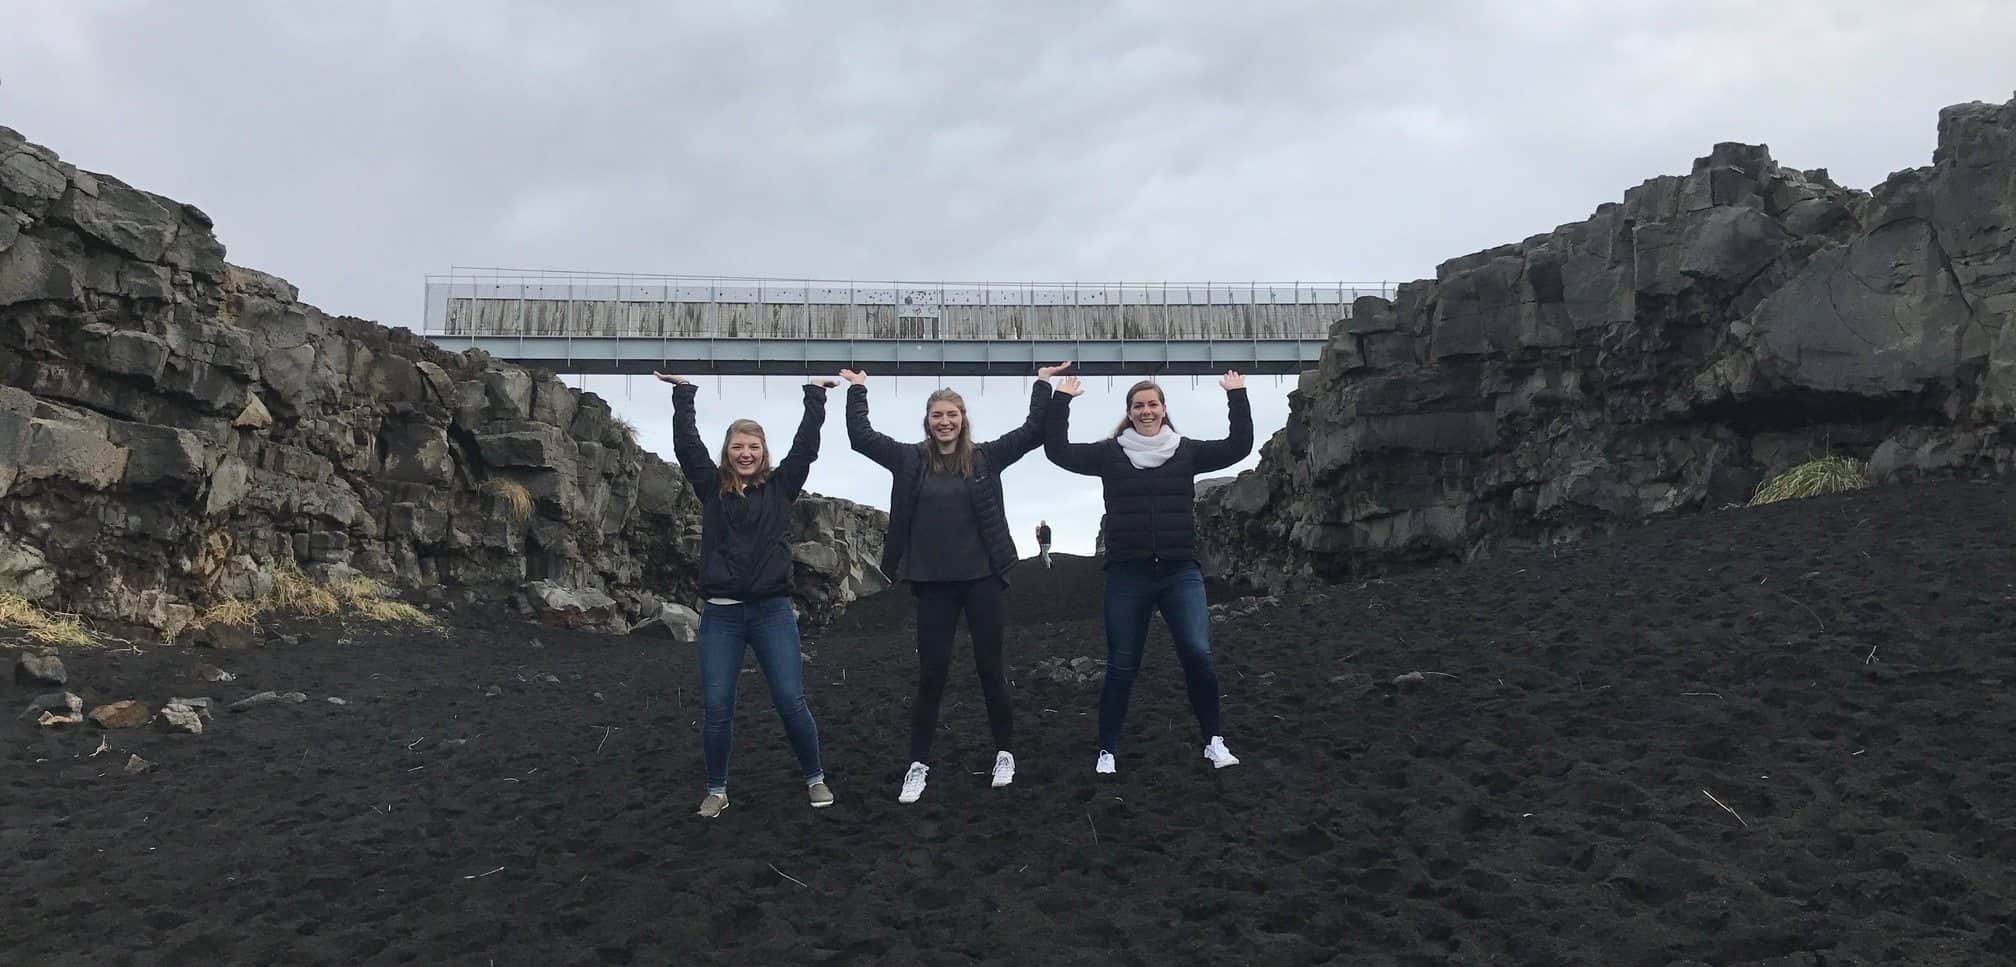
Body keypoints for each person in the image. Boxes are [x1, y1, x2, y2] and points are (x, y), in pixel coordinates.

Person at [842, 362, 1069, 803]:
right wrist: (858, 390)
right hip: (933, 583)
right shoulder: (909, 460)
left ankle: (1005, 753)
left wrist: (1042, 383)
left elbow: (1031, 432)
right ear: (927, 421)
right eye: (937, 416)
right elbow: (861, 437)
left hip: (982, 580)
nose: (944, 422)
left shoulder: (985, 458)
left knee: (991, 670)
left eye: (952, 415)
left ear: (963, 419)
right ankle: (917, 764)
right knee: (932, 675)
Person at [1044, 371, 1253, 775]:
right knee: (1122, 665)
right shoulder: (1109, 454)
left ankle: (1214, 741)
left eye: (1152, 404)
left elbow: (1239, 445)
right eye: (1138, 405)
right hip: (1127, 576)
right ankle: (1107, 750)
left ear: (1163, 409)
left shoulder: (1186, 452)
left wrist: (1238, 395)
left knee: (1198, 654)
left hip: (1180, 572)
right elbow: (1058, 451)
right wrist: (1061, 400)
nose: (1146, 411)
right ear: (1129, 412)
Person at [656, 370, 839, 818]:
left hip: (772, 612)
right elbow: (687, 447)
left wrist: (815, 394)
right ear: (727, 452)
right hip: (721, 616)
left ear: (763, 452)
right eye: (738, 446)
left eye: (753, 447)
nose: (745, 453)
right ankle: (717, 790)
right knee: (718, 707)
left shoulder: (781, 487)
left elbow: (806, 448)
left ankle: (815, 779)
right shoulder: (710, 487)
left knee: (790, 700)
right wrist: (683, 394)